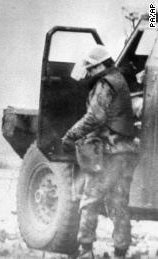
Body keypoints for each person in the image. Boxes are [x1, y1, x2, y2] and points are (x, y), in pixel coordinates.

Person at [61, 45, 138, 259]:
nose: (90, 73)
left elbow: (94, 117)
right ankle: (120, 252)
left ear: (102, 65)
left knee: (90, 199)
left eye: (92, 69)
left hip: (109, 152)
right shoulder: (119, 79)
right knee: (118, 203)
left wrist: (70, 135)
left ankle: (85, 250)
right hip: (126, 151)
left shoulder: (106, 83)